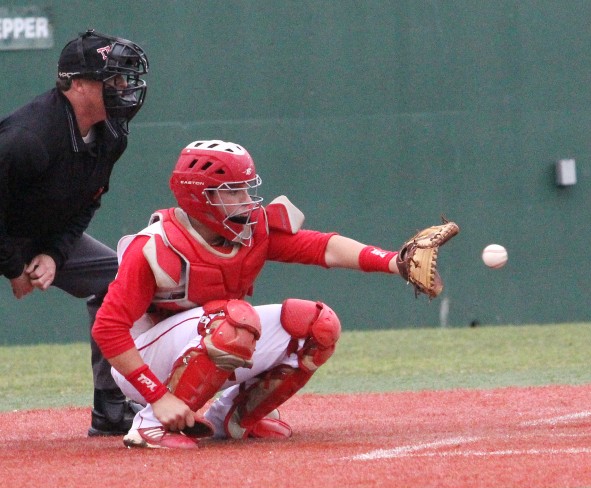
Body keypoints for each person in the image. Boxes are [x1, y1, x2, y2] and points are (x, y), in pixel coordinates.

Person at [91, 139, 408, 449]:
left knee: (317, 325)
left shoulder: (250, 228)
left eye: (246, 188)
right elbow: (107, 329)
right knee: (233, 320)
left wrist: (395, 262)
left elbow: (323, 247)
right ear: (200, 196)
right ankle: (151, 426)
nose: (247, 200)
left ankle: (233, 416)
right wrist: (159, 398)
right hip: (140, 361)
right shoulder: (156, 245)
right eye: (233, 192)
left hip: (212, 335)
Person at [0, 29, 149, 436]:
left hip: (37, 231)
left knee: (121, 279)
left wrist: (54, 254)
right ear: (78, 84)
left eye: (123, 78)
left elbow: (86, 202)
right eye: (112, 79)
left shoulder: (112, 133)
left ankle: (110, 408)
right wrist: (14, 268)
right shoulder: (27, 138)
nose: (123, 88)